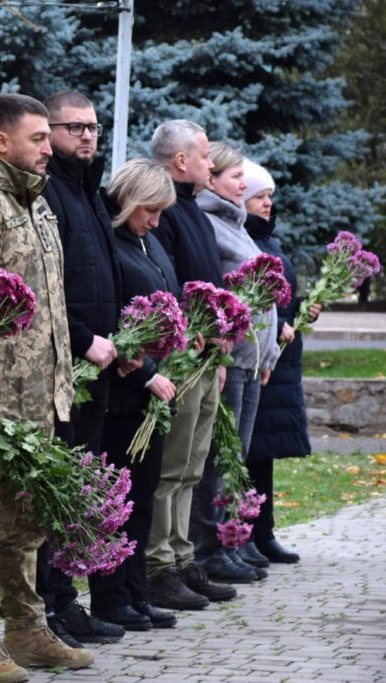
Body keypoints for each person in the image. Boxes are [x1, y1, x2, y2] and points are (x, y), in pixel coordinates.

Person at [0, 92, 96, 682]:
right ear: (1, 142)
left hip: (43, 394)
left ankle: (27, 630)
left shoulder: (35, 197)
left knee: (28, 522)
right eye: (37, 138)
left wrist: (63, 381)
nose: (48, 147)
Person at [34, 90, 126, 647]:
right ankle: (54, 604)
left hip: (98, 365)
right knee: (62, 488)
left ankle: (69, 598)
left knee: (82, 485)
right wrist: (86, 340)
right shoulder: (49, 191)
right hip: (65, 367)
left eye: (93, 127)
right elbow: (46, 290)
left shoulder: (90, 191)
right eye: (74, 128)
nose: (87, 136)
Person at [147, 120, 237, 610]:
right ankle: (160, 563)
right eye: (205, 156)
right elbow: (166, 283)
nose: (211, 164)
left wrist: (219, 350)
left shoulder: (195, 213)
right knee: (172, 464)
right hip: (179, 359)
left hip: (206, 358)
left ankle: (183, 557)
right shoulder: (166, 213)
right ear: (181, 161)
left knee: (191, 466)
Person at [89, 158, 181, 632]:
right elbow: (114, 320)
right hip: (124, 395)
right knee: (116, 500)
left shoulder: (149, 242)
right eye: (149, 210)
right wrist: (143, 370)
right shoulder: (112, 245)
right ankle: (109, 596)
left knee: (142, 500)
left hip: (153, 394)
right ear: (129, 202)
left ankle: (136, 592)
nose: (155, 220)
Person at [191, 142, 281, 583]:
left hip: (250, 359)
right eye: (235, 176)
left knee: (235, 457)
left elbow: (260, 298)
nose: (243, 184)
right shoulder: (211, 221)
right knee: (217, 458)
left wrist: (269, 351)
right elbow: (222, 293)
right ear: (212, 180)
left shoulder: (236, 221)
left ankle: (231, 539)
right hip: (229, 356)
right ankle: (211, 546)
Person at [241, 159, 319, 564]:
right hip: (258, 354)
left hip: (278, 359)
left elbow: (280, 294)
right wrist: (282, 322)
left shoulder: (268, 238)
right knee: (247, 449)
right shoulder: (243, 239)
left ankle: (262, 531)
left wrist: (302, 311)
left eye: (270, 195)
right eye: (259, 196)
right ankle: (243, 533)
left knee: (263, 452)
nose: (268, 203)